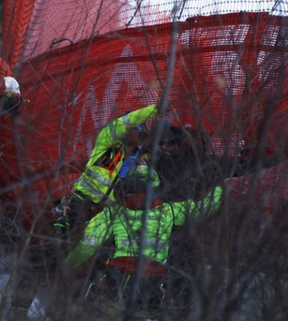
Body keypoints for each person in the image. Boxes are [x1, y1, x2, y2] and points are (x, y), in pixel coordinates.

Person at [65, 166, 224, 310]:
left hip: (117, 278)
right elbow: (202, 210)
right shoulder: (167, 211)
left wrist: (66, 267)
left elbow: (87, 246)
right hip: (153, 279)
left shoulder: (112, 213)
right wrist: (221, 189)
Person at [55, 103, 160, 236]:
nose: (129, 132)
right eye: (129, 128)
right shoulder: (106, 142)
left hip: (103, 213)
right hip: (82, 201)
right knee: (64, 235)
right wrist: (155, 109)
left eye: (137, 131)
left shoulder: (135, 158)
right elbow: (127, 122)